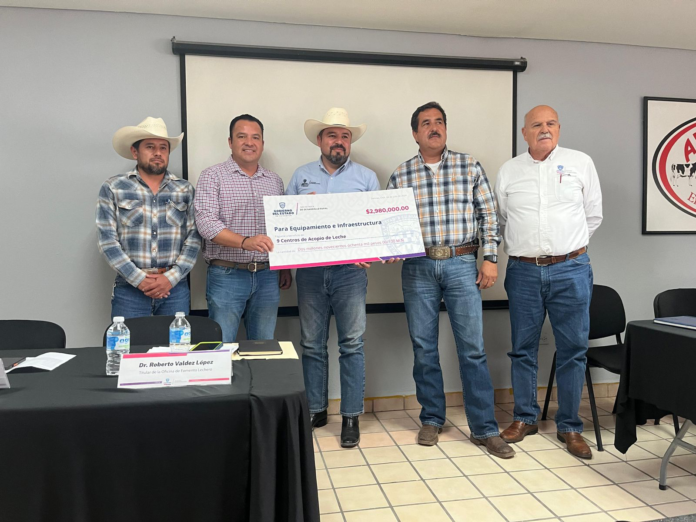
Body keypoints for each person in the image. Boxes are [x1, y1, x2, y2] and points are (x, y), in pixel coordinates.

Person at [387, 102, 514, 459]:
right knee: (423, 347)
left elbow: (489, 215)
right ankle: (432, 418)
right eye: (426, 123)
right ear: (415, 133)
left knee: (472, 349)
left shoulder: (469, 165)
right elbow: (389, 224)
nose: (434, 127)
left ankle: (485, 428)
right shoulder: (401, 174)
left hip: (462, 263)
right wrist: (387, 246)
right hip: (418, 267)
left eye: (439, 121)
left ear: (445, 128)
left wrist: (490, 258)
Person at [496, 105, 603, 459]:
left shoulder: (580, 163)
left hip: (571, 269)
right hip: (523, 271)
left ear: (558, 128)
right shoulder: (509, 171)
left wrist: (566, 250)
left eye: (551, 123)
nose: (544, 129)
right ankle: (525, 418)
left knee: (573, 349)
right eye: (536, 125)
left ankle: (570, 425)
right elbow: (501, 219)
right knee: (522, 348)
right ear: (524, 132)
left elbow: (593, 215)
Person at [287, 108, 380, 448]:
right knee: (312, 344)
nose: (339, 141)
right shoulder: (300, 177)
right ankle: (316, 409)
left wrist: (372, 250)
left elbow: (378, 225)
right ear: (319, 140)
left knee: (351, 344)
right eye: (332, 135)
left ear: (349, 142)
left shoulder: (367, 178)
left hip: (350, 274)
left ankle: (351, 416)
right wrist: (300, 215)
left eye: (344, 136)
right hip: (310, 273)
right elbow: (286, 225)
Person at [194, 114, 291, 342]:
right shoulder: (212, 176)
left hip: (268, 276)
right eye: (242, 137)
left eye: (255, 137)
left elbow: (283, 227)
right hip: (227, 275)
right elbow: (206, 223)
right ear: (230, 142)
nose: (249, 142)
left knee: (263, 348)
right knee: (222, 347)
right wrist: (245, 242)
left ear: (262, 144)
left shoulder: (274, 181)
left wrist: (285, 267)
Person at [97, 117, 201, 318]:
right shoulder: (113, 188)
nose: (158, 153)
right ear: (135, 152)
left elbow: (194, 239)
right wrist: (140, 280)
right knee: (130, 340)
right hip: (130, 290)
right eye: (150, 147)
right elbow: (107, 241)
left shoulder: (185, 190)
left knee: (176, 339)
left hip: (174, 289)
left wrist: (170, 278)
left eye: (163, 148)